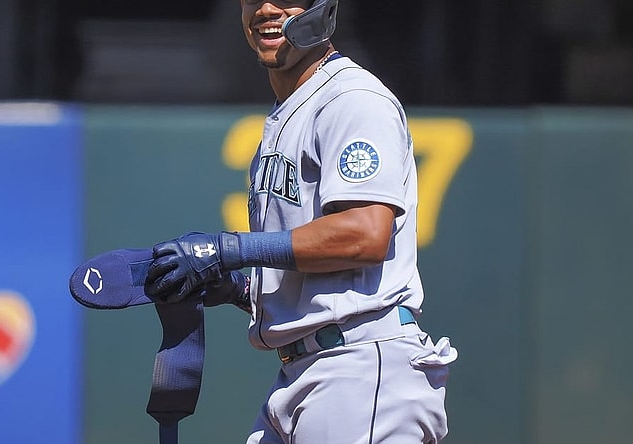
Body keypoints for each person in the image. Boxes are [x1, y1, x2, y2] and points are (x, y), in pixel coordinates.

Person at [144, 1, 458, 442]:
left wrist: (229, 250)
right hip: (306, 374)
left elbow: (365, 233)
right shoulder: (287, 113)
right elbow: (315, 279)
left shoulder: (352, 99)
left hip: (361, 369)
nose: (266, 9)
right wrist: (237, 287)